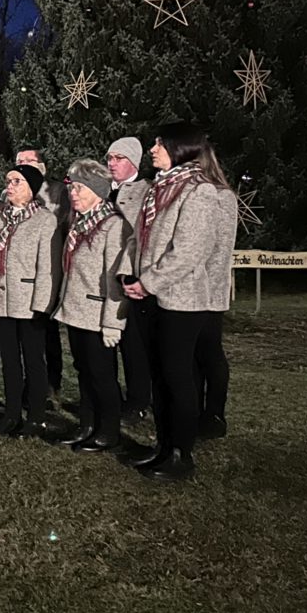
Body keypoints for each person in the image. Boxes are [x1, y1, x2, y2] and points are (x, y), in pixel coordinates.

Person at [122, 122, 218, 481]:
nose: (153, 149)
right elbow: (139, 238)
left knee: (177, 377)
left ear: (180, 148)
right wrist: (130, 275)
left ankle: (181, 453)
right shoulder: (158, 188)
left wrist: (147, 283)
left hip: (182, 300)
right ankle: (163, 446)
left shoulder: (198, 191)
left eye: (160, 143)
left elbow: (189, 252)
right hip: (150, 296)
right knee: (159, 376)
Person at [0, 164, 60, 437]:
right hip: (0, 299)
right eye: (9, 181)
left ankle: (36, 416)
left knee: (33, 360)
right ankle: (11, 414)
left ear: (31, 188)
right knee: (9, 360)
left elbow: (48, 268)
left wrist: (42, 305)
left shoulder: (45, 221)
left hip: (28, 302)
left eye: (17, 181)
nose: (9, 186)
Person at [52, 160, 128, 453]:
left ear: (98, 191)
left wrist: (113, 323)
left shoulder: (113, 225)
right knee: (83, 370)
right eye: (71, 188)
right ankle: (87, 424)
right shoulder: (79, 223)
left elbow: (115, 278)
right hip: (76, 311)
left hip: (97, 315)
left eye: (80, 188)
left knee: (102, 375)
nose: (73, 194)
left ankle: (108, 430)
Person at [15, 146, 69, 400]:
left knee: (46, 328)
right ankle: (29, 380)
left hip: (49, 263)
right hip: (21, 268)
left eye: (29, 160)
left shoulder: (57, 191)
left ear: (42, 166)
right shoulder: (12, 189)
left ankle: (51, 380)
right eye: (19, 160)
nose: (23, 164)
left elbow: (64, 224)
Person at [105, 137, 153, 424]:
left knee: (134, 346)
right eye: (109, 158)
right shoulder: (102, 189)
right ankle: (108, 396)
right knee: (104, 343)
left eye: (119, 158)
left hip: (130, 276)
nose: (112, 163)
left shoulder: (146, 191)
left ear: (134, 162)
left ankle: (138, 400)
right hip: (101, 276)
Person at [194, 144, 239, 440]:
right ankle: (194, 408)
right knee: (192, 354)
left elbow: (219, 248)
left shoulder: (222, 197)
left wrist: (205, 283)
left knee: (210, 352)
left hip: (209, 289)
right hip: (190, 289)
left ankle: (214, 414)